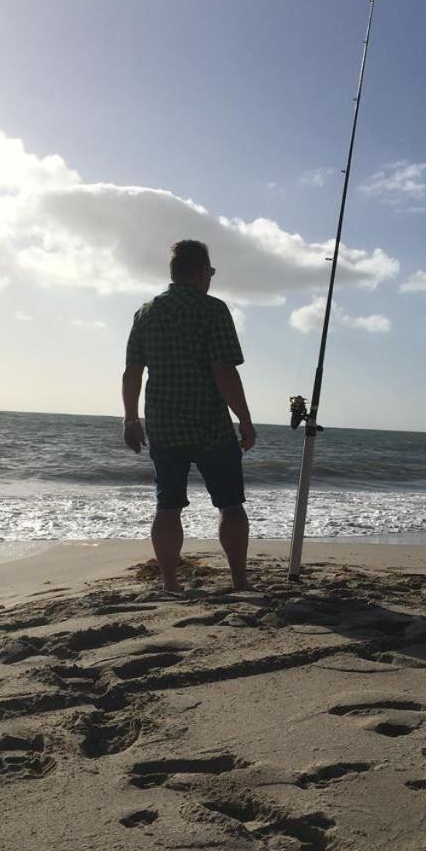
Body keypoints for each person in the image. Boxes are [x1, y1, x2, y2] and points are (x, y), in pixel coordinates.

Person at [122, 239, 256, 593]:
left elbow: (132, 372)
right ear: (199, 272)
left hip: (164, 426)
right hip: (211, 425)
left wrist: (130, 419)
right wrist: (244, 418)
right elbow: (224, 371)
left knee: (167, 507)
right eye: (210, 271)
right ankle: (240, 581)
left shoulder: (146, 312)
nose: (211, 278)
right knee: (230, 505)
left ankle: (170, 583)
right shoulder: (213, 310)